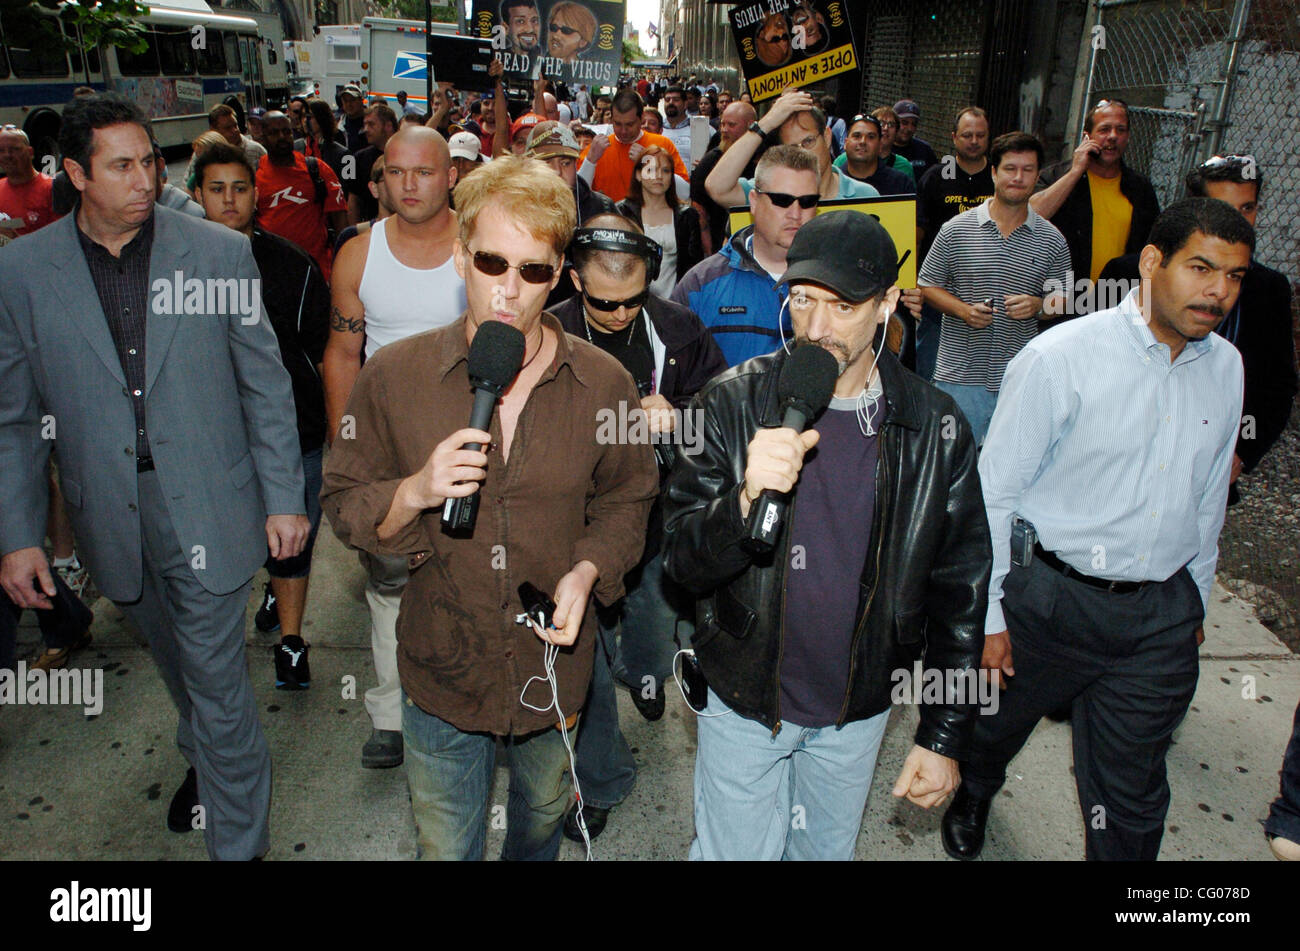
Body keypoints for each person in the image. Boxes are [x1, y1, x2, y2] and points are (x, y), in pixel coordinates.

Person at [320, 157, 657, 859]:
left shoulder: (604, 383)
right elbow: (346, 502)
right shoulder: (394, 376)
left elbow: (630, 493)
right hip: (442, 669)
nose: (510, 289)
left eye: (534, 270)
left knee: (537, 828)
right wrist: (415, 489)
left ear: (562, 273)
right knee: (445, 846)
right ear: (458, 256)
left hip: (551, 671)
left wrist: (589, 570)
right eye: (492, 261)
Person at [0, 93, 308, 861]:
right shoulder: (21, 273)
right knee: (177, 663)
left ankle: (238, 842)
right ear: (74, 173)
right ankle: (203, 748)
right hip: (109, 515)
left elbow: (264, 385)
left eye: (150, 160)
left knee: (216, 681)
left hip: (209, 502)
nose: (146, 178)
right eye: (122, 166)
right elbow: (12, 419)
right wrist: (16, 538)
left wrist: (284, 498)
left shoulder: (216, 253)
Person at [662, 210, 991, 860]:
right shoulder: (728, 403)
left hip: (858, 709)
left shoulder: (935, 426)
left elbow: (962, 590)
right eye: (804, 300)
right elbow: (681, 564)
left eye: (841, 306)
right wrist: (743, 500)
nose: (815, 327)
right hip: (745, 701)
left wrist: (944, 733)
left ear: (887, 304)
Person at [942, 198, 1254, 862]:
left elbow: (1206, 499)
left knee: (1132, 794)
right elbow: (993, 492)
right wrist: (991, 613)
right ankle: (976, 787)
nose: (1218, 291)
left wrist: (1194, 597)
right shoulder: (1061, 357)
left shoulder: (1227, 368)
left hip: (1158, 619)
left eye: (1233, 276)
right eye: (1201, 267)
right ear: (1151, 261)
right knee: (992, 729)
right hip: (1048, 602)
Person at [550, 212, 726, 842]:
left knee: (650, 631)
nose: (620, 315)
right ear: (573, 281)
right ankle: (601, 777)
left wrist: (677, 416)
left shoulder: (677, 329)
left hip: (655, 515)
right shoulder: (545, 331)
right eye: (604, 303)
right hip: (569, 525)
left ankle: (648, 676)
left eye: (633, 301)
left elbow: (723, 420)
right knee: (583, 660)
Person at [323, 126, 467, 768]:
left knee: (468, 574)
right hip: (387, 447)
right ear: (380, 177)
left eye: (425, 172)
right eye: (396, 172)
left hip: (468, 440)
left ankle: (466, 696)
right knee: (387, 581)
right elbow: (342, 354)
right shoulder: (358, 253)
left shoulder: (479, 246)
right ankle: (389, 715)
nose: (409, 185)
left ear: (451, 176)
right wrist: (344, 449)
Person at [193, 143, 331, 690]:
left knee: (294, 540)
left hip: (294, 433)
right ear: (196, 194)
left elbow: (321, 350)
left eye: (241, 188)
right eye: (217, 189)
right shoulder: (173, 269)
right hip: (212, 440)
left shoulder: (293, 266)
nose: (230, 200)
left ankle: (291, 643)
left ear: (259, 193)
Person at [1098, 155, 1297, 506]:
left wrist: (1241, 455)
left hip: (1204, 474)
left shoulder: (1270, 289)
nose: (1237, 222)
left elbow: (1277, 384)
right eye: (1223, 208)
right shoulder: (1128, 273)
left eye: (1247, 208)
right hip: (1117, 458)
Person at [917, 133, 1070, 444]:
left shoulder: (1052, 239)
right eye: (1010, 168)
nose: (1018, 177)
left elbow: (1064, 298)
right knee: (952, 463)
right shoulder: (956, 229)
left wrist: (1039, 306)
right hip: (958, 377)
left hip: (1019, 380)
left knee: (1008, 470)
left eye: (1028, 170)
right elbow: (927, 284)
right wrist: (963, 310)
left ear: (1037, 176)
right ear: (993, 173)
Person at [675, 145, 818, 367]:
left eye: (807, 201)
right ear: (753, 201)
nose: (796, 213)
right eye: (782, 200)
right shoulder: (701, 285)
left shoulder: (840, 283)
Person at [1030, 99, 1160, 297]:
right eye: (1104, 129)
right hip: (1060, 297)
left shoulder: (1140, 188)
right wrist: (1075, 171)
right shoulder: (1058, 176)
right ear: (1087, 137)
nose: (1113, 137)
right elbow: (1033, 215)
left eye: (1121, 130)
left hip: (1115, 299)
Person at [914, 106, 994, 381]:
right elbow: (918, 230)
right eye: (967, 135)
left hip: (989, 288)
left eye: (980, 135)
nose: (974, 141)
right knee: (930, 369)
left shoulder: (999, 178)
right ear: (954, 137)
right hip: (940, 290)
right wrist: (913, 281)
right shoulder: (936, 177)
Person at [704, 88, 879, 211]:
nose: (803, 154)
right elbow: (717, 188)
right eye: (792, 148)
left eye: (808, 141)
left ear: (826, 137)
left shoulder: (865, 196)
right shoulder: (772, 194)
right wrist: (765, 123)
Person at [256, 111, 348, 282]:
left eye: (286, 131)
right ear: (262, 137)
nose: (282, 137)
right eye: (274, 133)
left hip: (317, 272)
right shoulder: (254, 176)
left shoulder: (317, 169)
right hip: (273, 274)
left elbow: (340, 221)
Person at [617, 146, 703, 297]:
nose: (658, 176)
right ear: (638, 175)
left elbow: (694, 267)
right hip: (630, 300)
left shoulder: (687, 215)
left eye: (666, 171)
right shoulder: (621, 212)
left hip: (675, 304)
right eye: (651, 170)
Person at [578, 89, 689, 204]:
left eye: (629, 124)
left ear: (641, 118)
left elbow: (685, 193)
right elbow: (577, 195)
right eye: (617, 124)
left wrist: (650, 165)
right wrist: (590, 161)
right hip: (609, 220)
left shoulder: (663, 144)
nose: (623, 131)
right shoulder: (597, 149)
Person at [690, 99, 758, 255]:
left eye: (731, 125)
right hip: (719, 241)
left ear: (750, 125)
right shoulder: (712, 157)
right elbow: (698, 207)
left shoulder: (764, 153)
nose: (724, 130)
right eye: (722, 124)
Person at [0, 127, 57, 238]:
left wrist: (16, 240)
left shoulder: (51, 189)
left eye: (14, 149)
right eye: (1, 150)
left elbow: (62, 238)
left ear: (30, 152)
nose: (7, 155)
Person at [345, 103, 397, 225]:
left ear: (388, 126)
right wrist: (355, 231)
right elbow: (353, 199)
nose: (366, 129)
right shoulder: (358, 158)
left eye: (371, 124)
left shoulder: (407, 154)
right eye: (365, 125)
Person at [837, 114, 915, 195]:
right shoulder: (832, 182)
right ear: (845, 143)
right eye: (857, 136)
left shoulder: (900, 184)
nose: (862, 141)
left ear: (880, 145)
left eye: (871, 137)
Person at [207, 103, 266, 170]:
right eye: (228, 128)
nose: (235, 130)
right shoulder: (205, 151)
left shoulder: (256, 151)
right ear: (214, 130)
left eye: (235, 125)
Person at [302, 98, 349, 179]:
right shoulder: (296, 148)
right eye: (303, 116)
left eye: (310, 116)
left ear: (322, 118)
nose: (305, 120)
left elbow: (349, 188)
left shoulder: (344, 155)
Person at [893, 100, 939, 182]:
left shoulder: (924, 150)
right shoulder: (883, 149)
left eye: (913, 124)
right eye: (904, 123)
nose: (909, 129)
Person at [545, 1, 596, 66]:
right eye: (553, 27)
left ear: (583, 42)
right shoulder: (536, 64)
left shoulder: (584, 72)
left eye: (566, 31)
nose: (556, 35)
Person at [659, 84, 693, 168]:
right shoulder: (657, 128)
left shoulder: (699, 127)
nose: (671, 102)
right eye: (667, 100)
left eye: (676, 100)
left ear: (685, 104)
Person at [337, 84, 368, 153]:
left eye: (352, 100)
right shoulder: (338, 125)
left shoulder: (371, 123)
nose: (349, 104)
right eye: (345, 101)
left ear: (361, 101)